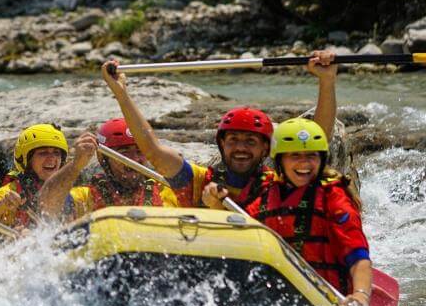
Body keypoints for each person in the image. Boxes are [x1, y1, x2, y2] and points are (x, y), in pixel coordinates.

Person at [99, 51, 338, 211]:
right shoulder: (195, 180)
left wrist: (326, 81)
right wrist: (121, 93)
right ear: (222, 144)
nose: (241, 148)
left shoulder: (280, 184)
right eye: (233, 140)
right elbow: (152, 149)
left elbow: (317, 140)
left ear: (266, 148)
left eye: (251, 142)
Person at [245, 118, 371, 306]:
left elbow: (358, 258)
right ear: (280, 161)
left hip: (326, 301)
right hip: (276, 299)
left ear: (321, 160)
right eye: (295, 155)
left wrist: (361, 295)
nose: (304, 162)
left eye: (312, 155)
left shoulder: (334, 197)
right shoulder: (264, 195)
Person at [38, 118, 180, 220]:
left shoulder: (168, 191)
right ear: (105, 159)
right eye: (124, 152)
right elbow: (47, 204)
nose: (135, 160)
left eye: (139, 151)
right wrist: (76, 165)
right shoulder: (87, 197)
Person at [0, 123, 68, 232]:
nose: (52, 158)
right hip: (14, 244)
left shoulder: (67, 188)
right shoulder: (12, 191)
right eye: (43, 153)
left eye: (56, 153)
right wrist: (2, 205)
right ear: (27, 161)